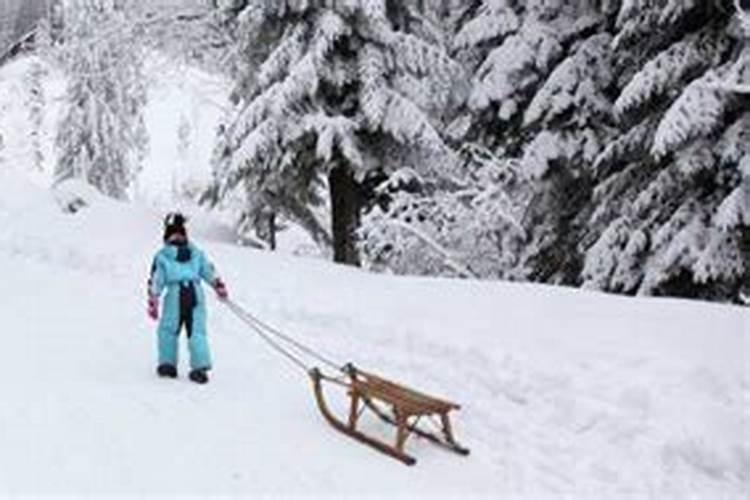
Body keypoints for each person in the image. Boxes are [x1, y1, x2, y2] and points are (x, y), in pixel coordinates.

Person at [147, 213, 228, 384]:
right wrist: (217, 284)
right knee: (196, 330)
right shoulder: (196, 253)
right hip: (195, 293)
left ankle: (168, 364)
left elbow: (157, 278)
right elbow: (208, 270)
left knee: (168, 330)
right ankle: (199, 368)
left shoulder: (163, 255)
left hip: (175, 295)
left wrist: (153, 298)